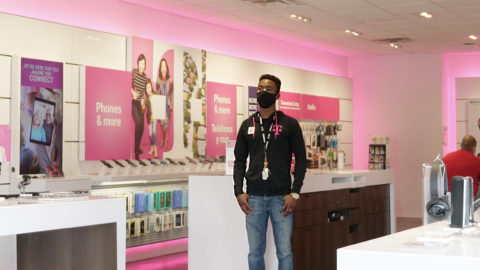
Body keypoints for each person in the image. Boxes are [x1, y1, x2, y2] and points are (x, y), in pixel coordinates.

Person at [233, 74, 307, 270]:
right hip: (254, 199)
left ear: (277, 95)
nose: (262, 92)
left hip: (282, 199)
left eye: (267, 89)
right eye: (259, 89)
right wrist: (238, 191)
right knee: (255, 252)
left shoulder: (289, 124)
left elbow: (301, 160)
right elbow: (239, 161)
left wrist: (295, 193)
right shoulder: (247, 125)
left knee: (284, 252)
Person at [131, 54, 148, 160]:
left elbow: (143, 92)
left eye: (144, 64)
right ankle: (136, 149)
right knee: (138, 123)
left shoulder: (145, 77)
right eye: (141, 63)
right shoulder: (134, 72)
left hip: (140, 103)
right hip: (133, 102)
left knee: (142, 126)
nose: (142, 66)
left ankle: (137, 148)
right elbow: (127, 83)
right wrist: (132, 92)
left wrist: (143, 102)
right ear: (138, 64)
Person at [156, 58, 173, 151]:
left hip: (167, 104)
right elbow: (156, 90)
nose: (163, 68)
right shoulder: (158, 79)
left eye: (165, 66)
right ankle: (162, 138)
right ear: (160, 68)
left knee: (167, 124)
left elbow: (172, 93)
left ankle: (166, 141)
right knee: (161, 124)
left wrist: (171, 104)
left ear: (166, 68)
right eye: (162, 66)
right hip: (160, 103)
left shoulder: (170, 79)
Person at [145, 79, 158, 158]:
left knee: (154, 131)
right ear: (145, 90)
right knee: (150, 134)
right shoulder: (146, 99)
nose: (148, 89)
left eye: (149, 87)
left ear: (151, 87)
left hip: (155, 116)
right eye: (147, 88)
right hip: (150, 118)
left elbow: (160, 103)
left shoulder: (155, 95)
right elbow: (143, 109)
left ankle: (155, 149)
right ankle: (152, 147)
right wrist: (142, 105)